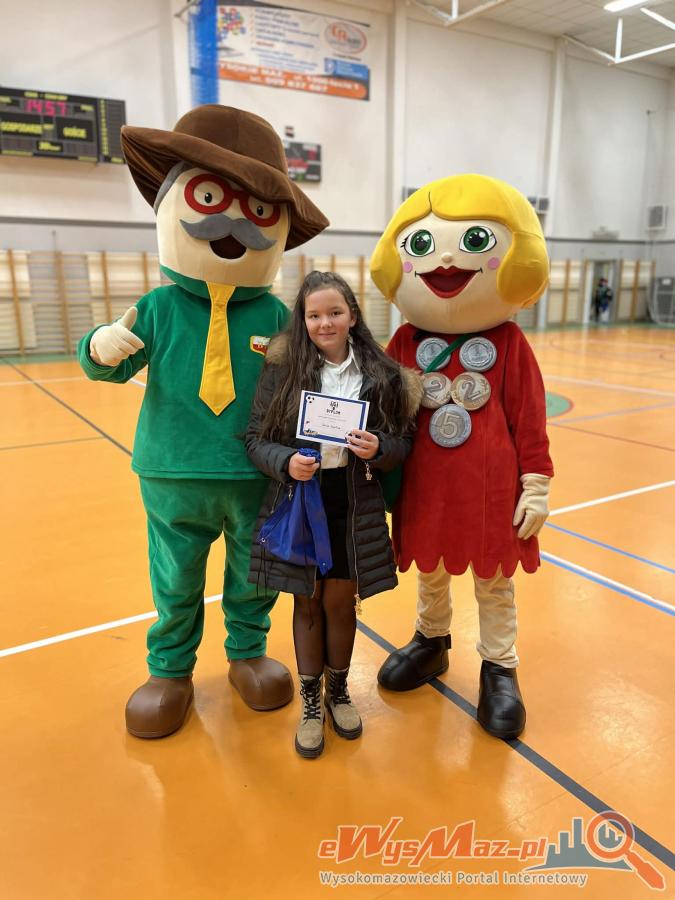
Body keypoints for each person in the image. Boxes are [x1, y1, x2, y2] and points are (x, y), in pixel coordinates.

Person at [78, 105, 329, 739]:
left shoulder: (276, 317)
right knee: (175, 576)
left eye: (257, 210)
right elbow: (109, 367)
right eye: (210, 198)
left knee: (254, 575)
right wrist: (98, 347)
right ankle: (170, 670)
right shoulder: (159, 307)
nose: (233, 224)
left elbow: (305, 389)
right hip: (173, 471)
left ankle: (247, 653)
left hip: (256, 475)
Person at [370, 174, 554, 740]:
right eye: (423, 246)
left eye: (473, 243)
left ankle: (500, 667)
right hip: (426, 485)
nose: (445, 260)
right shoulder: (405, 340)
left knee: (494, 580)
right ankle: (432, 640)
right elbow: (381, 404)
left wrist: (536, 484)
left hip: (491, 489)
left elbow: (529, 418)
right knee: (430, 569)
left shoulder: (509, 344)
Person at [245, 271, 422, 758]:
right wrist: (287, 461)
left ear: (353, 316)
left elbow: (403, 443)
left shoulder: (381, 375)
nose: (325, 323)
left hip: (352, 500)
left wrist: (378, 448)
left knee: (342, 604)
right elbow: (255, 440)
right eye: (314, 315)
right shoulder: (283, 370)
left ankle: (338, 692)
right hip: (301, 499)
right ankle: (310, 704)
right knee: (307, 602)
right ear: (302, 321)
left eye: (335, 313)